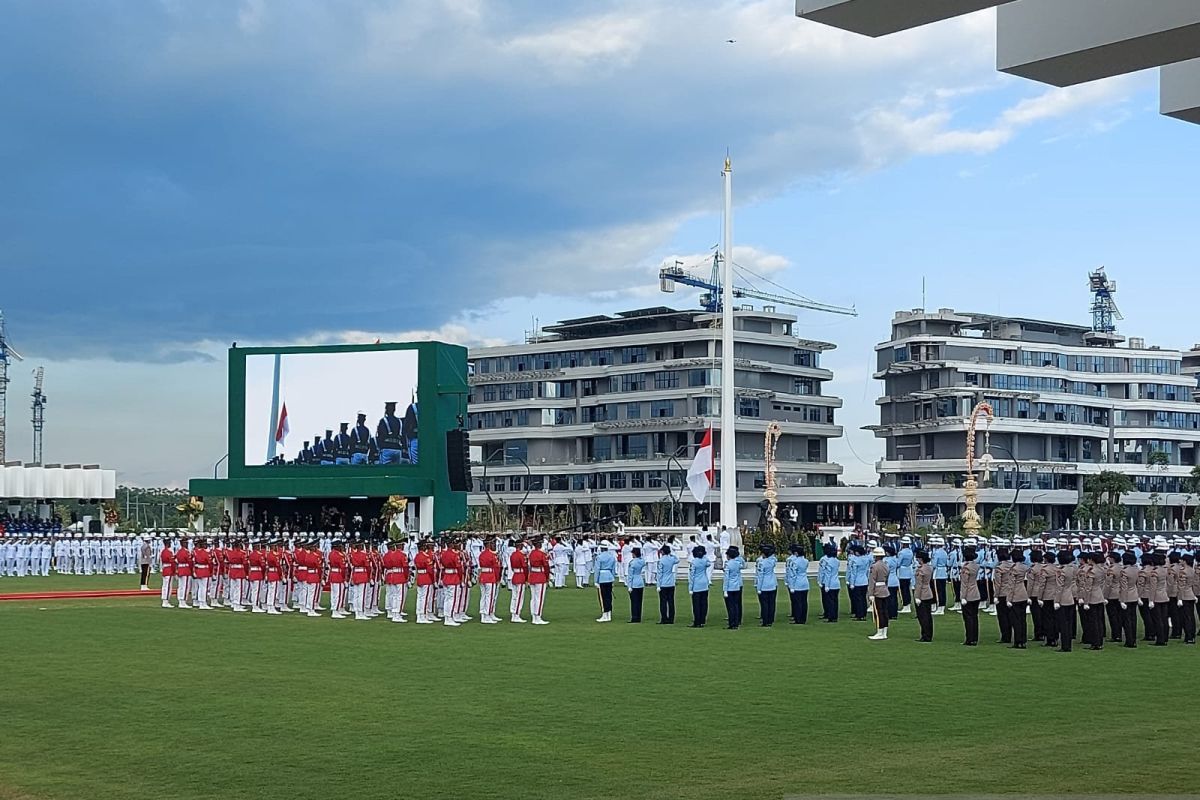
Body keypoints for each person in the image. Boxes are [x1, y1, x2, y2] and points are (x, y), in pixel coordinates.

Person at [1008, 545, 1030, 649]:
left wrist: (1009, 599)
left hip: (1016, 595)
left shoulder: (1014, 569)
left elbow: (1011, 585)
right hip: (1023, 594)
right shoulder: (1025, 567)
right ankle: (1023, 640)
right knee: (1022, 619)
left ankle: (1018, 641)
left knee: (1016, 620)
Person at [1055, 549, 1077, 652]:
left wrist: (1056, 601)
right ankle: (1068, 644)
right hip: (1070, 598)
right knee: (1069, 624)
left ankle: (1065, 646)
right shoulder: (1072, 569)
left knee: (1063, 624)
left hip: (1063, 598)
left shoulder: (1062, 570)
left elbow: (1060, 588)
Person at [959, 545, 981, 646]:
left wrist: (963, 597)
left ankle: (970, 638)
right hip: (975, 593)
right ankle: (974, 638)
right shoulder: (975, 566)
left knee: (968, 618)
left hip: (968, 595)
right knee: (974, 617)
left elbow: (964, 584)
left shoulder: (966, 567)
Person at [867, 546, 890, 641]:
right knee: (884, 612)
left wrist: (871, 594)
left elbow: (872, 581)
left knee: (879, 612)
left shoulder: (874, 566)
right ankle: (884, 631)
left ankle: (880, 631)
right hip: (884, 589)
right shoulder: (885, 565)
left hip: (877, 590)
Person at [477, 537, 502, 624]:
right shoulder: (492, 555)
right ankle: (487, 615)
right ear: (488, 544)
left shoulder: (481, 554)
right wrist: (497, 578)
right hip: (490, 576)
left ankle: (484, 614)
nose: (493, 545)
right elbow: (496, 567)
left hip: (483, 576)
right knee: (489, 597)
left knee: (483, 596)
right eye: (492, 543)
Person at [527, 537, 550, 625]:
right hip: (540, 575)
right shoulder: (541, 554)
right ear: (538, 544)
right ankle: (538, 616)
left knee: (533, 598)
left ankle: (534, 616)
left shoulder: (531, 553)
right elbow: (546, 566)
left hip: (532, 575)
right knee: (539, 598)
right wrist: (547, 578)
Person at [785, 543, 809, 624]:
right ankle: (803, 618)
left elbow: (793, 575)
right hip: (805, 582)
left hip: (797, 583)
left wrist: (791, 586)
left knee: (798, 602)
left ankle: (798, 619)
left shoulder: (794, 562)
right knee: (804, 602)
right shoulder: (806, 561)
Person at [593, 540, 618, 623]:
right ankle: (609, 614)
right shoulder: (612, 557)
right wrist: (613, 578)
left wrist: (596, 581)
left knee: (603, 597)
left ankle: (605, 615)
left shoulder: (599, 557)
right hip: (609, 577)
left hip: (602, 577)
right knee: (609, 597)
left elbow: (597, 569)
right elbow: (614, 569)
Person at [913, 549, 934, 642]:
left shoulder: (920, 570)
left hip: (922, 594)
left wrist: (917, 596)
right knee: (928, 616)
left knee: (923, 616)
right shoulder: (929, 568)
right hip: (928, 592)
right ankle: (928, 634)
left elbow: (919, 584)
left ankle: (925, 635)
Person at [722, 546, 745, 630]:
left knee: (731, 606)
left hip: (730, 587)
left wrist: (725, 590)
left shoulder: (728, 564)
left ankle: (732, 623)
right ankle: (736, 622)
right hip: (737, 586)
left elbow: (726, 578)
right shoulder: (737, 563)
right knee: (736, 605)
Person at [755, 544, 778, 627]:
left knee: (764, 604)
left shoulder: (762, 563)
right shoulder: (772, 561)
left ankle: (765, 621)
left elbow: (760, 576)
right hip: (772, 584)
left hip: (764, 585)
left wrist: (758, 587)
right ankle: (770, 620)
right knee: (772, 603)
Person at [414, 540, 436, 624]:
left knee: (420, 598)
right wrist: (433, 580)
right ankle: (423, 615)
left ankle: (419, 615)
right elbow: (430, 570)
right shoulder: (426, 557)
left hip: (420, 577)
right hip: (426, 578)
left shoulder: (417, 556)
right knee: (425, 598)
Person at [688, 545, 710, 628]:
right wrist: (704, 555)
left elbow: (692, 576)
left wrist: (690, 588)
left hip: (696, 585)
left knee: (696, 605)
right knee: (704, 603)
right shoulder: (704, 561)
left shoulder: (694, 562)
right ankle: (702, 620)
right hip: (704, 584)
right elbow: (709, 563)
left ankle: (697, 621)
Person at [817, 543, 840, 622]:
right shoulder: (837, 561)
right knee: (835, 601)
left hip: (829, 583)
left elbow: (826, 574)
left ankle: (830, 616)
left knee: (829, 601)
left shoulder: (827, 561)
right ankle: (834, 616)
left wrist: (825, 584)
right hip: (836, 583)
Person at [657, 544, 678, 624]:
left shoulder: (661, 560)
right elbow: (677, 560)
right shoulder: (671, 559)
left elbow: (659, 574)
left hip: (663, 583)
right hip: (671, 582)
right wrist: (671, 554)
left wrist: (658, 585)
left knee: (663, 602)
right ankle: (671, 618)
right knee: (671, 601)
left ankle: (664, 618)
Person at [508, 539, 529, 623]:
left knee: (514, 596)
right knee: (519, 597)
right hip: (520, 576)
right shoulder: (521, 555)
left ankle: (513, 613)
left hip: (515, 575)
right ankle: (516, 614)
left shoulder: (513, 555)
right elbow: (525, 567)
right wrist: (527, 578)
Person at [626, 547, 646, 623]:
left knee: (634, 601)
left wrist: (629, 586)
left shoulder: (632, 563)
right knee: (639, 601)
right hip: (640, 581)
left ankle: (634, 617)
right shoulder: (641, 561)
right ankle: (639, 617)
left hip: (634, 582)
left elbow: (630, 576)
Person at [897, 535, 914, 613]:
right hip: (908, 571)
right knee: (907, 589)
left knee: (903, 590)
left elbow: (898, 563)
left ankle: (905, 605)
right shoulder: (910, 552)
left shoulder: (901, 552)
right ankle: (908, 605)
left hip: (902, 572)